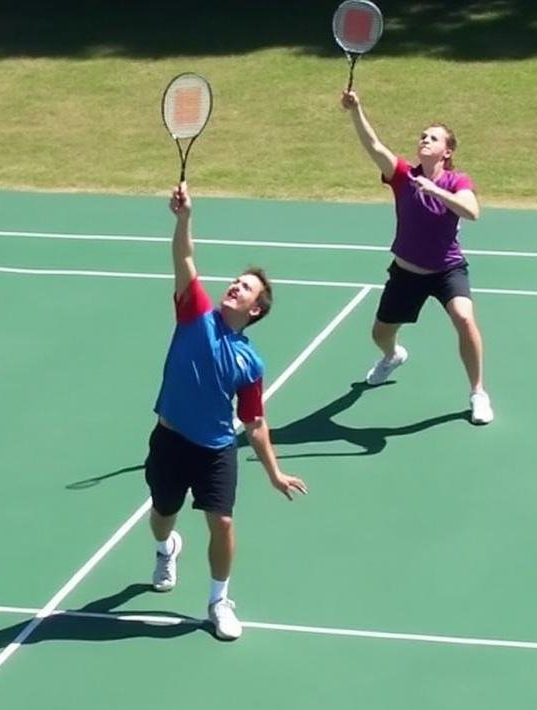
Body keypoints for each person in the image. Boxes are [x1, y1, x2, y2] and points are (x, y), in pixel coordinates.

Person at [145, 182, 307, 641]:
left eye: (247, 287)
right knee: (163, 512)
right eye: (237, 281)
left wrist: (273, 472)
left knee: (223, 521)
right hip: (171, 439)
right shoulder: (195, 313)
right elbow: (185, 260)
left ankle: (218, 600)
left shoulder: (250, 361)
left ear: (256, 310)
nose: (236, 285)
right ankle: (166, 547)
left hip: (215, 450)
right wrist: (183, 219)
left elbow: (254, 422)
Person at [341, 89, 493, 425]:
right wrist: (356, 111)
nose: (424, 140)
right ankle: (393, 355)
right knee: (380, 334)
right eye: (422, 136)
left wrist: (436, 190)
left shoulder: (457, 180)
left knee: (465, 319)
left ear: (447, 150)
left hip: (447, 270)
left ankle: (478, 393)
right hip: (406, 273)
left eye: (433, 137)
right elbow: (375, 147)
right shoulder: (402, 176)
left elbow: (472, 211)